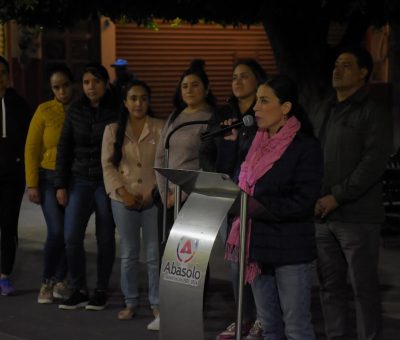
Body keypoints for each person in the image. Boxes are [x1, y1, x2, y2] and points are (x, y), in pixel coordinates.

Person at [218, 75, 323, 339]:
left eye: (264, 101)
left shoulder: (305, 147)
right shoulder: (255, 142)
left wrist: (259, 205)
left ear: (285, 107)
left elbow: (304, 200)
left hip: (290, 247)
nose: (255, 108)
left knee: (296, 325)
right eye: (256, 101)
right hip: (256, 246)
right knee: (268, 325)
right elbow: (236, 179)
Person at [311, 46, 392, 340]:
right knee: (330, 288)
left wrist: (337, 196)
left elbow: (372, 164)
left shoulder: (373, 112)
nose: (337, 70)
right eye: (336, 64)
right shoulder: (325, 108)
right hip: (322, 215)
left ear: (363, 72)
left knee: (363, 289)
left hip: (357, 216)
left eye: (346, 65)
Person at [199, 58, 267, 340]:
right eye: (234, 77)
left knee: (257, 261)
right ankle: (243, 318)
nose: (237, 82)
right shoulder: (223, 113)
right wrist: (216, 178)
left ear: (258, 80)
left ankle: (263, 319)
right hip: (228, 197)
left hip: (255, 200)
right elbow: (206, 149)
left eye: (245, 76)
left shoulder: (263, 113)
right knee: (235, 263)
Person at [55, 62, 118, 311]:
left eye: (96, 81)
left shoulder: (116, 110)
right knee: (71, 236)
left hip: (105, 181)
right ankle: (79, 288)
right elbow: (64, 148)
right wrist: (61, 184)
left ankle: (101, 289)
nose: (91, 87)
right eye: (86, 82)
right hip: (79, 180)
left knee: (105, 238)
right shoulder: (75, 110)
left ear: (105, 83)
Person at [102, 79, 164, 330]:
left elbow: (163, 164)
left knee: (153, 254)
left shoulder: (160, 128)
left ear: (149, 101)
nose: (138, 103)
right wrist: (123, 193)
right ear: (125, 102)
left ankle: (157, 302)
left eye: (143, 98)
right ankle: (130, 301)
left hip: (152, 198)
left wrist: (153, 192)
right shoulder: (112, 130)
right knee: (128, 253)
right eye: (133, 98)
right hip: (122, 199)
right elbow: (107, 165)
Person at [25, 64, 75, 304]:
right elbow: (32, 149)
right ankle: (47, 280)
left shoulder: (79, 110)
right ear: (52, 89)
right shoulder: (43, 111)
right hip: (47, 177)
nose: (62, 91)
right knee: (56, 231)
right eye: (57, 87)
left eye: (65, 85)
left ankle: (62, 280)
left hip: (74, 178)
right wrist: (31, 183)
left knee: (69, 232)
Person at [155, 58, 216, 238]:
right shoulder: (175, 116)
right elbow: (160, 156)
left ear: (206, 88)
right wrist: (165, 194)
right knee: (169, 257)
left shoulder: (211, 118)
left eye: (195, 85)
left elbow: (209, 164)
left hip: (195, 198)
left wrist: (180, 194)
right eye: (184, 86)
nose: (189, 90)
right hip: (168, 198)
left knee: (192, 259)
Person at [0, 56, 32, 296]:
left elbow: (28, 143)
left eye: (2, 72)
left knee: (8, 226)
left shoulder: (18, 105)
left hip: (12, 177)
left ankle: (4, 275)